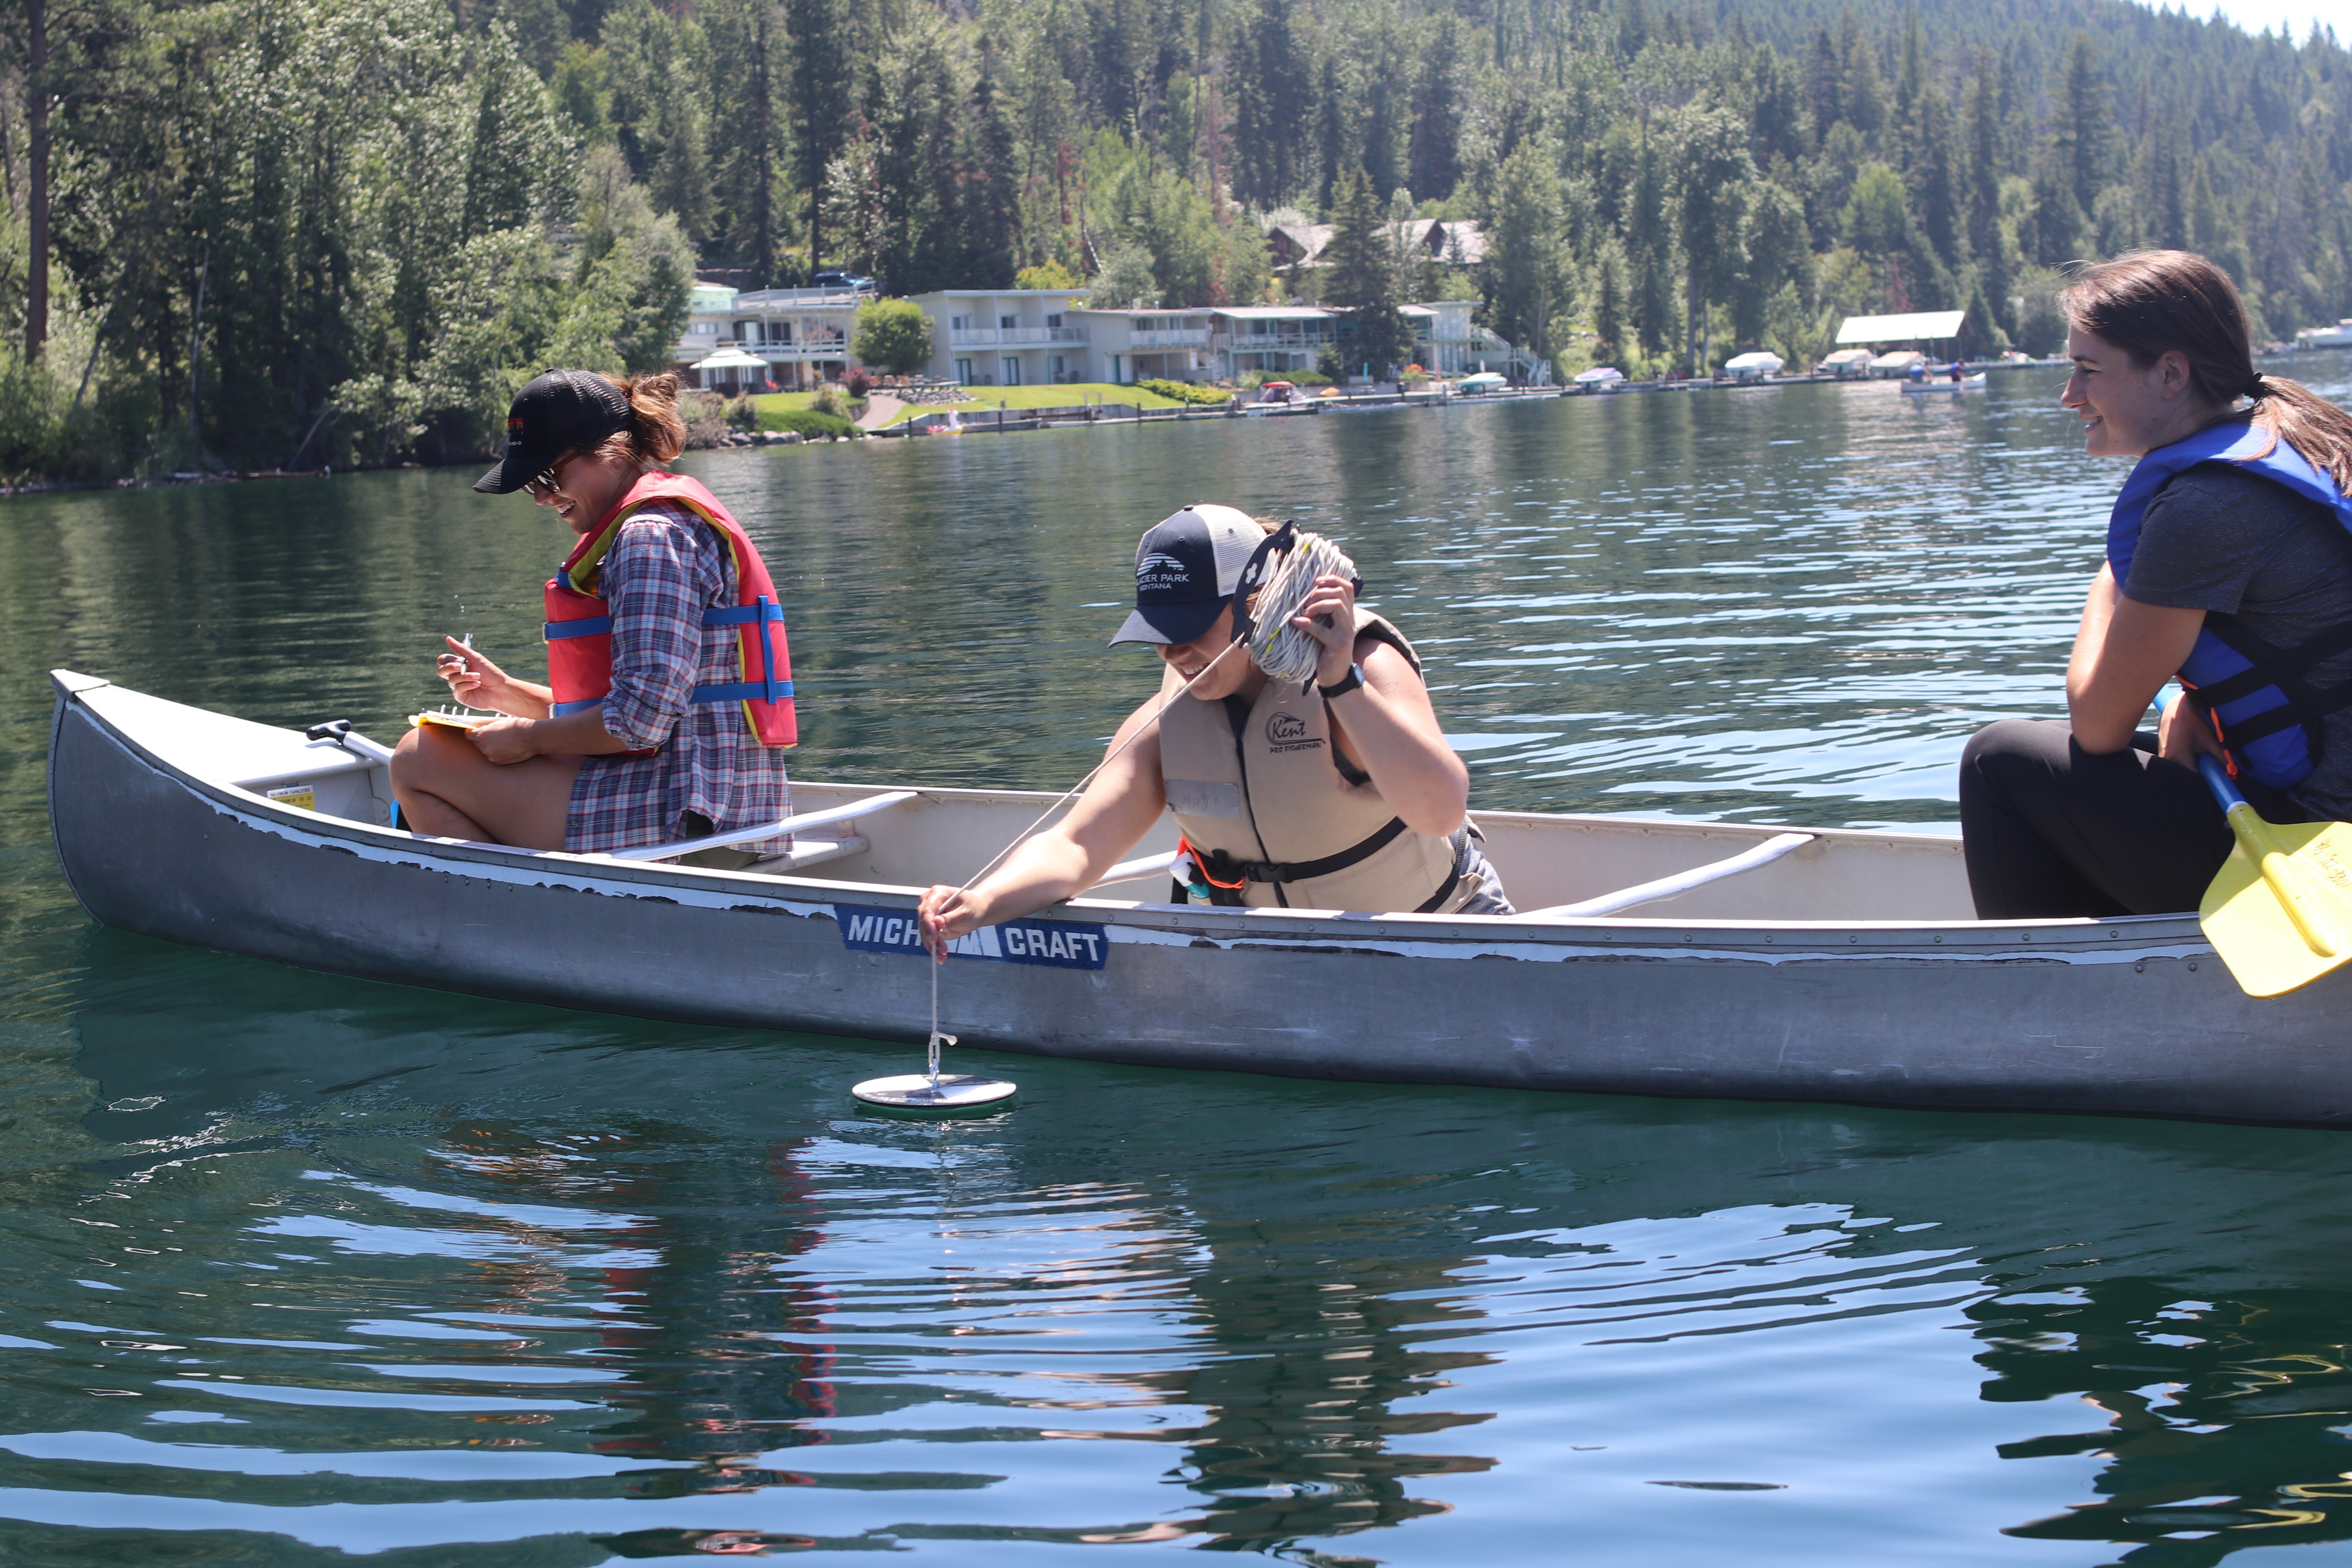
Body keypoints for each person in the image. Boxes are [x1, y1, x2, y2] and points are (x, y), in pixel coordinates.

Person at [916, 505, 1513, 953]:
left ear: (1258, 600)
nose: (1174, 650)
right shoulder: (1162, 723)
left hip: (1447, 940)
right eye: (1159, 632)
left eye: (1194, 626)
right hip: (1282, 964)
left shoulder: (1361, 665)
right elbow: (1076, 846)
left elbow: (1441, 811)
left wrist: (1340, 685)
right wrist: (980, 902)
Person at [1958, 250, 2352, 918]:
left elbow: (2098, 725)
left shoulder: (2202, 509)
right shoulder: (2302, 434)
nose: (2069, 396)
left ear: (2171, 373)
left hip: (2316, 851)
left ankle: (2036, 996)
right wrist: (2197, 705)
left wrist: (2114, 574)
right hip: (2321, 810)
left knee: (1999, 763)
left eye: (2088, 370)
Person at [388, 368, 797, 858]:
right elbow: (650, 706)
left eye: (547, 475)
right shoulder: (657, 528)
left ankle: (512, 920)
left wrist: (529, 738)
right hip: (713, 802)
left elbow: (640, 721)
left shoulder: (648, 538)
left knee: (418, 759)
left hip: (689, 816)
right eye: (529, 485)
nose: (541, 496)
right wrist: (508, 696)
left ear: (609, 450)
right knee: (439, 750)